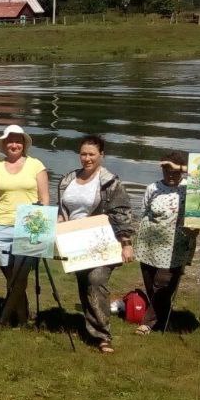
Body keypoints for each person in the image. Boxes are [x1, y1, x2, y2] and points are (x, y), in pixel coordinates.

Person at [56, 134, 135, 353]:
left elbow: (122, 213)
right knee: (84, 284)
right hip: (75, 242)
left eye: (92, 154)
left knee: (96, 279)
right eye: (83, 154)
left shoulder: (110, 182)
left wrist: (126, 243)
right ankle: (91, 326)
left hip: (103, 242)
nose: (87, 158)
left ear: (101, 154)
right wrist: (58, 226)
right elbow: (62, 210)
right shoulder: (67, 179)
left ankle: (103, 336)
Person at [0, 124, 49, 327]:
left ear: (24, 144)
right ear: (4, 144)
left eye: (18, 140)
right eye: (10, 141)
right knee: (11, 275)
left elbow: (45, 198)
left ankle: (5, 318)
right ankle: (22, 316)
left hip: (30, 226)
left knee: (21, 274)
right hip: (2, 225)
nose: (14, 144)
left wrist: (40, 224)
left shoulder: (36, 165)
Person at [133, 150, 199, 334]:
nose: (171, 174)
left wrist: (183, 168)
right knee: (152, 285)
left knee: (163, 283)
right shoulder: (152, 188)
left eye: (176, 171)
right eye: (167, 170)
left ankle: (148, 322)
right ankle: (164, 318)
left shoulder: (191, 188)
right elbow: (144, 211)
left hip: (175, 246)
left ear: (183, 171)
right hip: (149, 244)